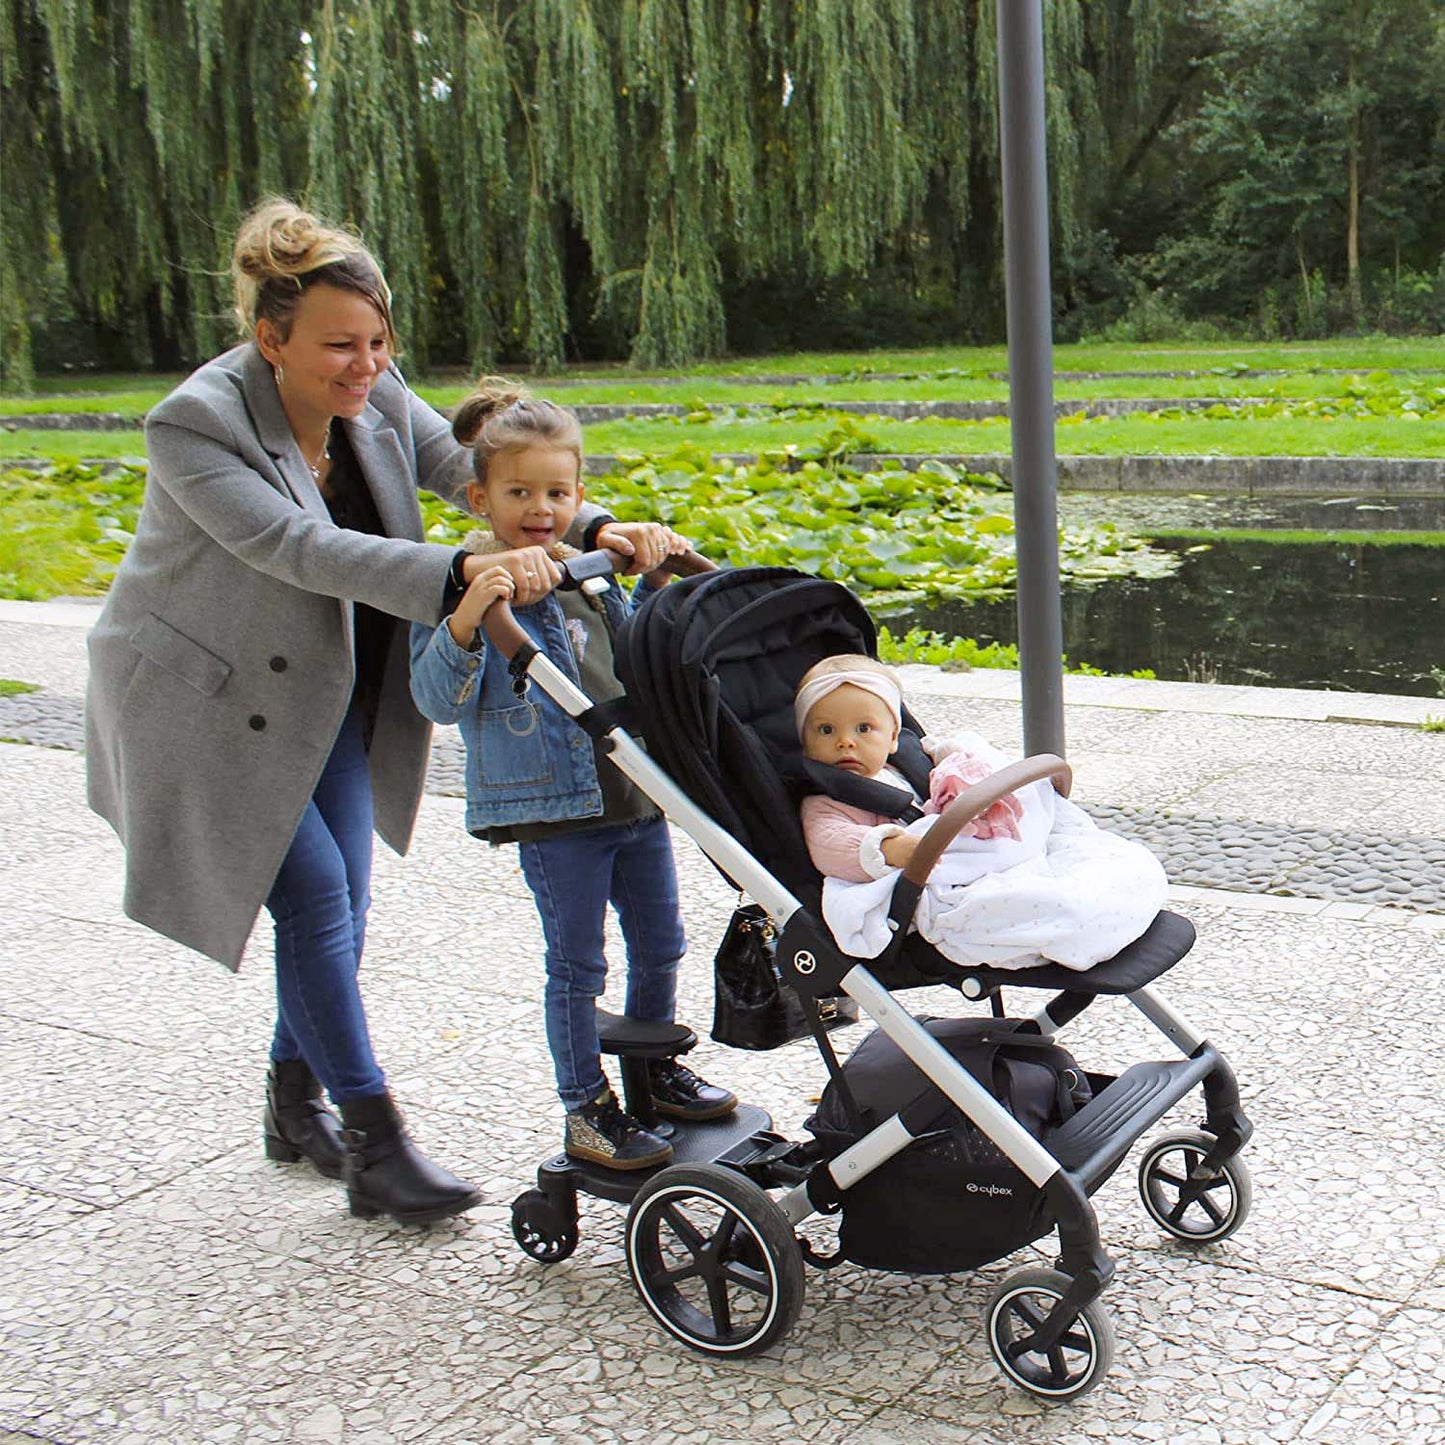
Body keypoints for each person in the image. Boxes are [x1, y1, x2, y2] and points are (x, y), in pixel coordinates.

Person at [84, 198, 673, 1223]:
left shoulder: (376, 388)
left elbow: (463, 469)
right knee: (312, 898)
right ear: (270, 339)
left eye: (376, 342)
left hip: (325, 686)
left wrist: (597, 522)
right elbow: (297, 550)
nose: (364, 366)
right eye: (337, 347)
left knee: (343, 904)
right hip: (206, 696)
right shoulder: (195, 423)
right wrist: (467, 569)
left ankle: (288, 1095)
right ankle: (375, 1141)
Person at [408, 379, 737, 1171]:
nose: (538, 507)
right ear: (477, 498)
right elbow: (433, 698)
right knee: (578, 963)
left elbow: (647, 655)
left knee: (662, 941)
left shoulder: (587, 571)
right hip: (556, 814)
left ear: (580, 495)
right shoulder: (472, 585)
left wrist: (651, 565)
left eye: (556, 491)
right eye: (517, 492)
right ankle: (584, 1104)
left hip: (636, 794)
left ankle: (650, 1072)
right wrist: (465, 619)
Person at [794, 655, 1168, 969]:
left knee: (1113, 858)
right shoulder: (825, 801)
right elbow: (831, 845)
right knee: (1059, 907)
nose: (845, 741)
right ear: (804, 741)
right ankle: (1071, 913)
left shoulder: (903, 766)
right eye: (825, 730)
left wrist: (962, 765)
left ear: (893, 738)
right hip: (927, 883)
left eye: (864, 728)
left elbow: (950, 762)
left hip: (980, 847)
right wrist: (891, 848)